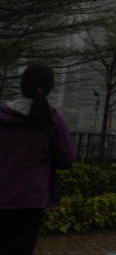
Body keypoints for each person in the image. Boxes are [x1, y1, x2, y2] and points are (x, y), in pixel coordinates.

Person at [0, 63, 77, 254]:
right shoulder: (51, 120)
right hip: (30, 200)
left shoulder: (2, 114)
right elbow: (66, 159)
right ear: (50, 88)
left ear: (21, 84)